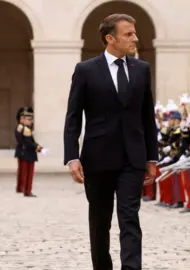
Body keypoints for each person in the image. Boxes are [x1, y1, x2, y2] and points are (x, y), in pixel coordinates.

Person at [63, 13, 158, 270]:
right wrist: (72, 157)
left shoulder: (142, 69)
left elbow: (147, 116)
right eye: (128, 34)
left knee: (130, 218)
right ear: (110, 38)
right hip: (98, 158)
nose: (135, 38)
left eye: (134, 33)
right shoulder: (85, 70)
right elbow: (73, 117)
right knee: (100, 222)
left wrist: (152, 157)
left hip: (132, 158)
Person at [15, 107, 42, 197]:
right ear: (22, 119)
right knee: (27, 173)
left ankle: (21, 187)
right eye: (29, 119)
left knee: (23, 172)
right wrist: (37, 147)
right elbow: (28, 142)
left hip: (23, 152)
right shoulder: (25, 129)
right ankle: (27, 190)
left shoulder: (22, 128)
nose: (31, 121)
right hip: (27, 153)